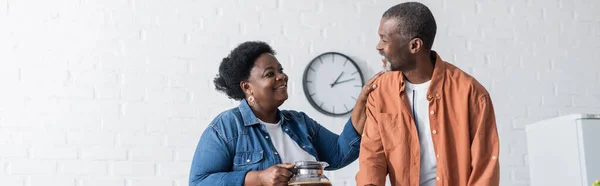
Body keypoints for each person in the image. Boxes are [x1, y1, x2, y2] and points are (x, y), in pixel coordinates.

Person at [189, 41, 383, 186]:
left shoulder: (300, 122)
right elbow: (199, 182)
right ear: (247, 87)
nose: (282, 76)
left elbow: (340, 154)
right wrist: (259, 178)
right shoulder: (227, 126)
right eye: (270, 74)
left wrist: (363, 102)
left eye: (280, 70)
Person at [356, 2, 500, 186]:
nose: (378, 46)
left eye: (384, 40)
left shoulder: (471, 93)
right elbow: (371, 157)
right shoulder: (381, 91)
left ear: (414, 45)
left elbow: (485, 168)